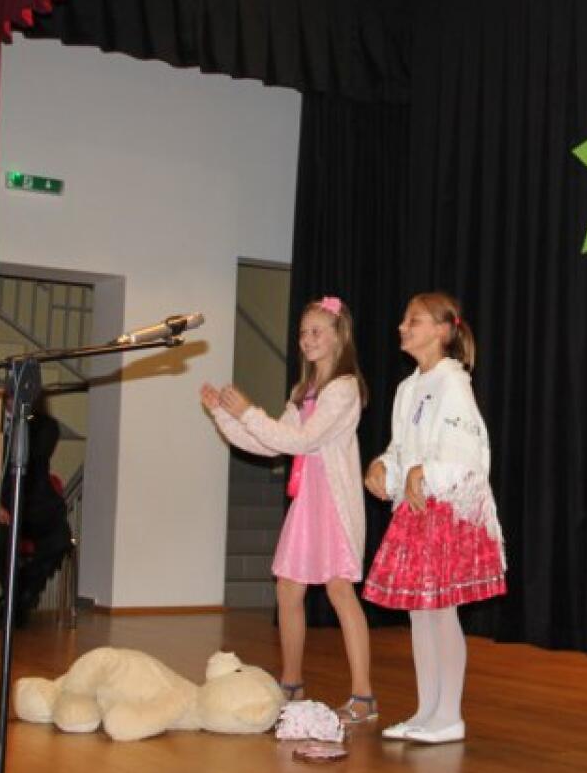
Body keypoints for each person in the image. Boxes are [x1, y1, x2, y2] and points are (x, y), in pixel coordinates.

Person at [201, 295, 377, 723]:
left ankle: (363, 696)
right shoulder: (305, 391)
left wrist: (249, 411)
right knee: (288, 590)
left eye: (316, 331)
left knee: (339, 589)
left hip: (332, 503)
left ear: (339, 337)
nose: (307, 339)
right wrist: (225, 416)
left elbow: (303, 441)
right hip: (307, 504)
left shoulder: (343, 389)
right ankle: (291, 683)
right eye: (303, 332)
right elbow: (270, 443)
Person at [363, 292, 506, 745]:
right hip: (417, 510)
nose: (403, 327)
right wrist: (384, 466)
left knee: (442, 612)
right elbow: (402, 448)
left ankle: (449, 715)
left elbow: (468, 455)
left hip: (444, 510)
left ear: (442, 331)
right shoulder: (408, 389)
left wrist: (428, 472)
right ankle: (426, 710)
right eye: (405, 320)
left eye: (415, 321)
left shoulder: (453, 384)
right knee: (419, 614)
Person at [0, 390, 72, 628]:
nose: (14, 401)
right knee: (1, 537)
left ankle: (21, 595)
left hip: (35, 503)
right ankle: (16, 600)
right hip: (4, 502)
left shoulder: (45, 426)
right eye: (11, 396)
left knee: (60, 537)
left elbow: (35, 457)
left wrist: (22, 421)